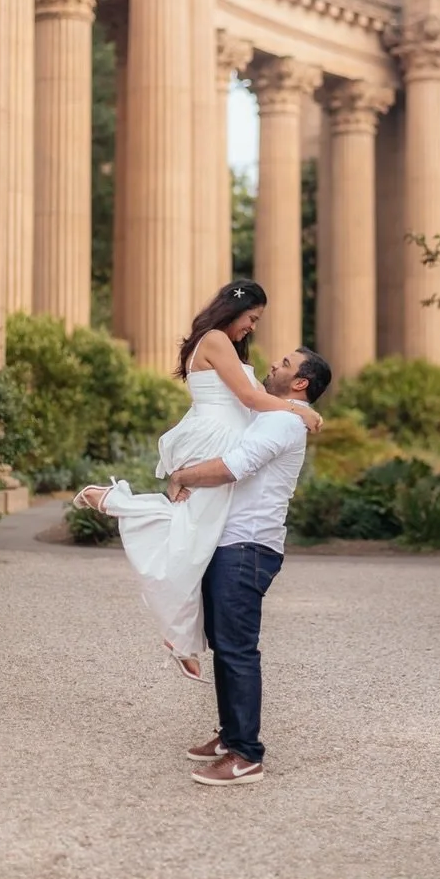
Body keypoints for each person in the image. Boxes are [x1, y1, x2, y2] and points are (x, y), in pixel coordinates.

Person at [72, 282, 323, 680]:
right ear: (235, 309)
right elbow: (250, 399)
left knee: (196, 538)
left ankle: (180, 638)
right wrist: (299, 411)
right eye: (252, 318)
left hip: (220, 435)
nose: (253, 327)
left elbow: (255, 399)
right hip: (214, 438)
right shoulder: (216, 340)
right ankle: (113, 501)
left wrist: (287, 408)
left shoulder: (222, 344)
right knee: (192, 535)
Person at [170, 345, 333, 787]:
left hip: (247, 547)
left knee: (238, 648)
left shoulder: (282, 421)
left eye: (285, 364)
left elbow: (233, 467)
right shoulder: (276, 413)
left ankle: (245, 755)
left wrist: (183, 475)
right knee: (226, 643)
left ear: (300, 382)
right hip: (233, 542)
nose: (274, 364)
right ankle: (230, 735)